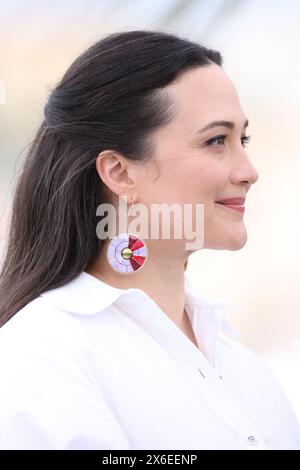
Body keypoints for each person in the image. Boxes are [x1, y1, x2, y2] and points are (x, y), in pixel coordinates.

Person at [0, 29, 299, 450]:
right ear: (120, 172)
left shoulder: (244, 368)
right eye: (217, 140)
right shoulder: (41, 355)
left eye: (242, 139)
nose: (249, 170)